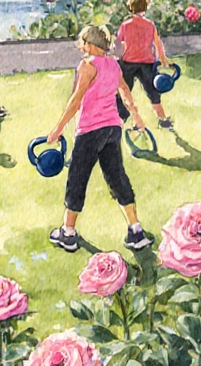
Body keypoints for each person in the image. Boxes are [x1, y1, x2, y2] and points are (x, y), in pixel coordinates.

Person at [46, 25, 153, 253]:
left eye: (83, 42)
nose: (80, 46)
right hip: (112, 129)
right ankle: (136, 230)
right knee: (117, 178)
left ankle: (68, 232)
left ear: (92, 45)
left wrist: (57, 129)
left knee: (77, 178)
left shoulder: (87, 66)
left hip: (90, 131)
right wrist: (137, 118)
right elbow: (125, 93)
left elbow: (76, 101)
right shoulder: (113, 65)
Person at [115, 0, 175, 129]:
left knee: (123, 92)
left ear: (131, 8)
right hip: (146, 63)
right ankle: (163, 119)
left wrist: (118, 58)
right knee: (153, 92)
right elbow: (158, 44)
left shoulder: (125, 25)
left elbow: (118, 44)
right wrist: (163, 60)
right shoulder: (150, 25)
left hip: (128, 62)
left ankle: (120, 121)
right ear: (145, 8)